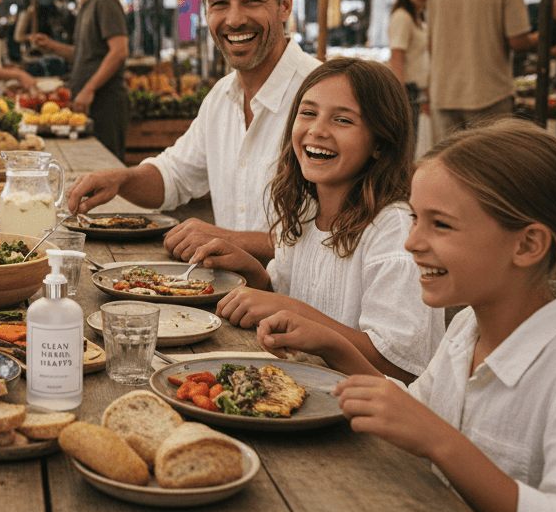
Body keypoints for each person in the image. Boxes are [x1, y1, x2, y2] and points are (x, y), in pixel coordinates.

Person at [255, 119, 556, 512]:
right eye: (416, 218)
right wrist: (333, 346)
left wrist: (441, 443)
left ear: (528, 245)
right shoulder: (471, 326)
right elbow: (414, 412)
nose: (411, 241)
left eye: (440, 224)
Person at [66, 0, 320, 265]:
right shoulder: (221, 97)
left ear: (285, 4)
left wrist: (227, 239)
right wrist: (120, 179)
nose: (233, 19)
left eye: (252, 0)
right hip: (231, 301)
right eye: (219, 3)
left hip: (299, 311)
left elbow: (340, 239)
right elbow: (174, 176)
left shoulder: (323, 98)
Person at [189, 59, 443, 382]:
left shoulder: (395, 232)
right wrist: (253, 273)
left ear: (380, 143)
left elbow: (402, 368)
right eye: (308, 113)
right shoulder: (305, 213)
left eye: (342, 120)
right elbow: (284, 301)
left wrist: (299, 315)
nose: (317, 130)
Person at [427, 0, 537, 141]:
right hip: (488, 94)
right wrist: (541, 37)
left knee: (447, 168)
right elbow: (518, 42)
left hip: (444, 94)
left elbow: (431, 45)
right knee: (487, 171)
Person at [28, 0, 131, 159]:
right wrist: (52, 46)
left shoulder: (105, 2)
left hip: (106, 103)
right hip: (88, 102)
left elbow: (119, 51)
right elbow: (85, 54)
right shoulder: (86, 6)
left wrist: (89, 89)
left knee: (107, 166)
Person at [388, 0, 433, 144]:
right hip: (407, 89)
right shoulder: (402, 17)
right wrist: (400, 96)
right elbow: (397, 57)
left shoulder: (420, 17)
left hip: (417, 91)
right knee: (408, 146)